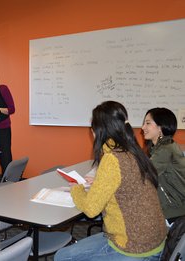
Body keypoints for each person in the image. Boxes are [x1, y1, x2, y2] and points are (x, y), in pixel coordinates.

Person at [55, 101, 167, 261]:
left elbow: (91, 209)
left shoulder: (112, 158)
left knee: (62, 258)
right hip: (154, 239)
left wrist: (77, 189)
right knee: (63, 255)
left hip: (134, 246)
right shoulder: (132, 150)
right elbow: (125, 185)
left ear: (98, 130)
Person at [142, 107, 185, 221]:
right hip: (168, 208)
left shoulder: (166, 149)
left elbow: (142, 175)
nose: (143, 127)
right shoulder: (155, 148)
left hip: (175, 212)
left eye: (148, 123)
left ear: (160, 127)